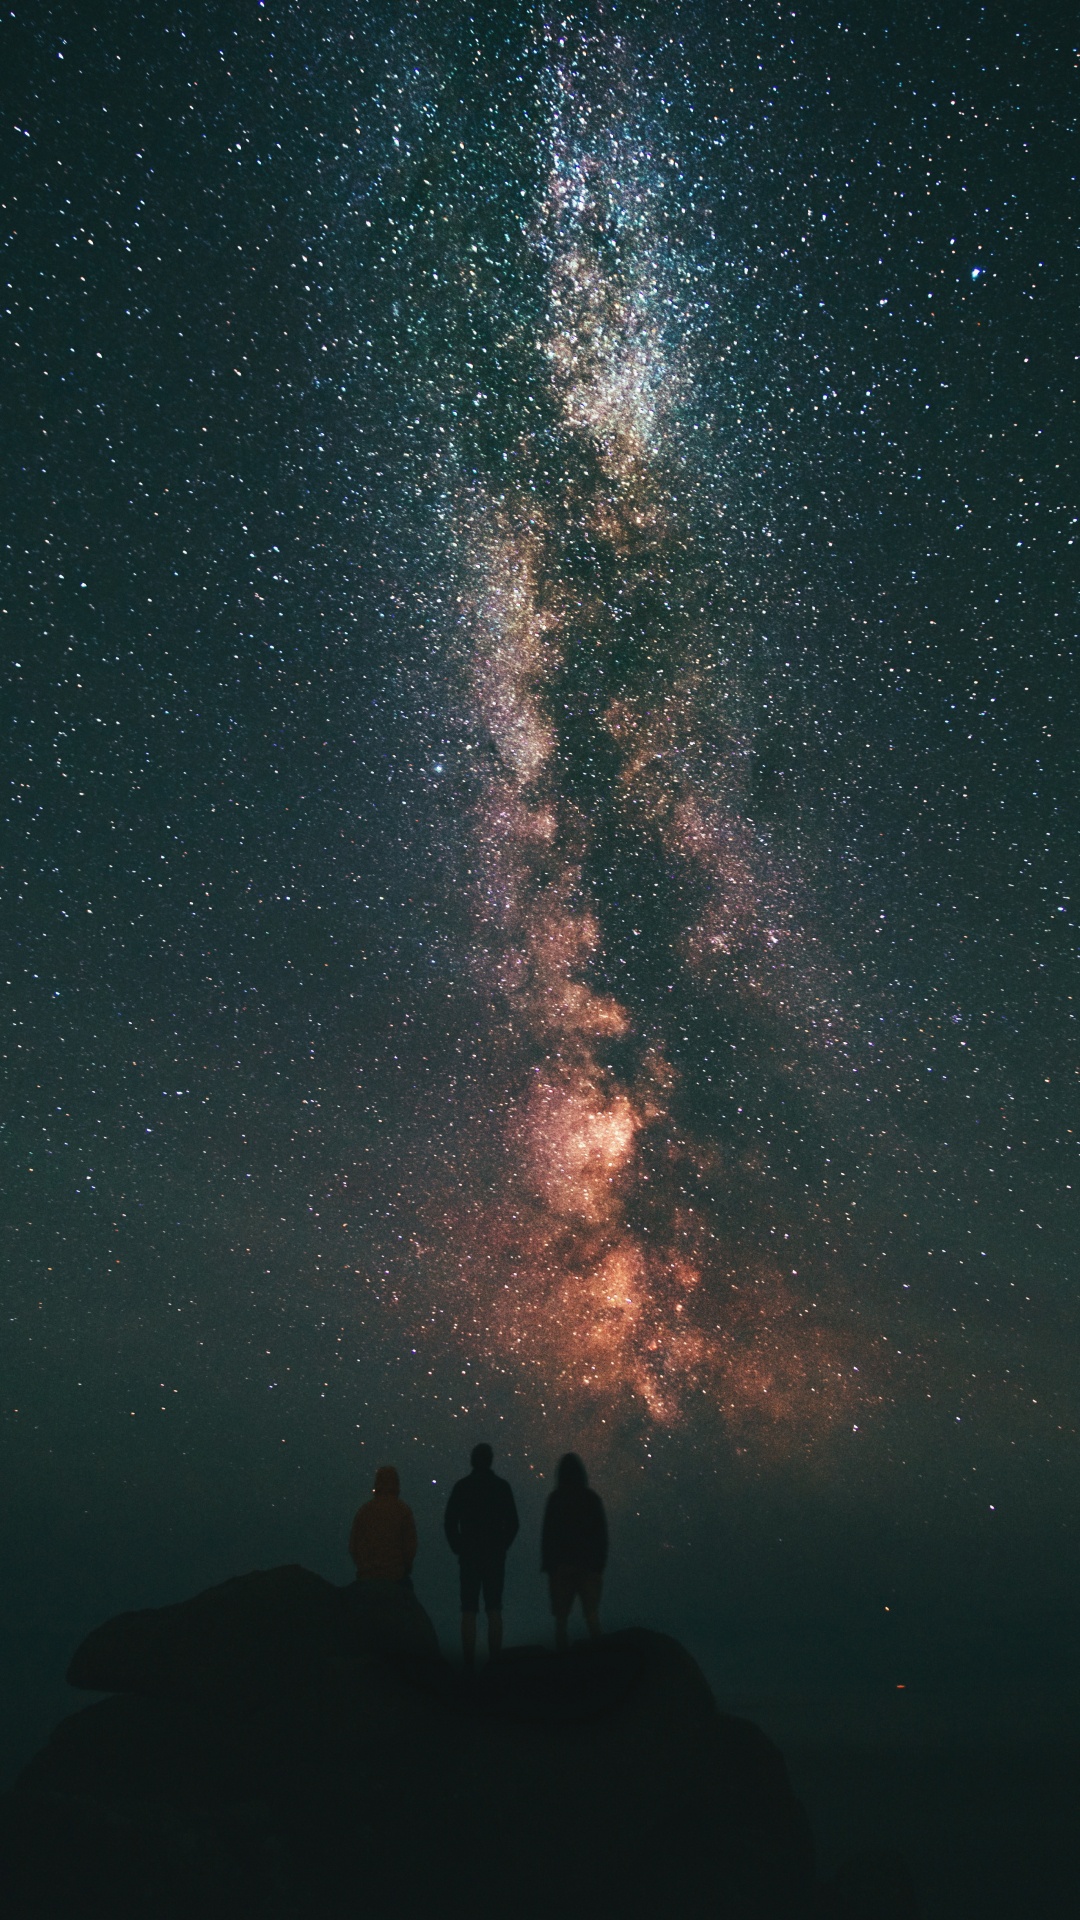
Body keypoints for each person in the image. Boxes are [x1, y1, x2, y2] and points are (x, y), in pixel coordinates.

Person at [443, 1442, 519, 1670]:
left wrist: (458, 1547)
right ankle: (495, 1662)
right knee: (494, 1607)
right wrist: (502, 1545)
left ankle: (468, 1664)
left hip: (469, 1556)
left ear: (473, 1460)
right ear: (491, 1460)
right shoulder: (501, 1487)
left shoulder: (462, 1487)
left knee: (469, 1609)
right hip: (494, 1556)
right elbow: (514, 1523)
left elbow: (449, 1522)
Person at [541, 1452, 607, 1651]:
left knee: (561, 1621)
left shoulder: (555, 1498)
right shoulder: (592, 1499)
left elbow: (548, 1535)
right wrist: (598, 1566)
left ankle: (562, 1666)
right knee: (592, 1616)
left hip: (562, 1568)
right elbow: (601, 1535)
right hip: (589, 1567)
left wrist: (550, 1566)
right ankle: (602, 1661)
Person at [348, 1464, 417, 1584]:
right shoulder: (402, 1511)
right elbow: (410, 1546)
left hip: (367, 1577)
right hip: (395, 1577)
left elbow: (354, 1545)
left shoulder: (365, 1511)